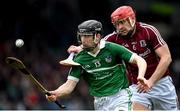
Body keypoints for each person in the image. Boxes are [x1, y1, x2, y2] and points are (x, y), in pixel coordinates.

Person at [67, 6, 179, 110]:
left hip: (161, 84)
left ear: (132, 19)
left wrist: (151, 82)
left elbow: (166, 58)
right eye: (116, 24)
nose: (119, 27)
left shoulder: (148, 31)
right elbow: (96, 43)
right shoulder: (114, 38)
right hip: (137, 87)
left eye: (122, 22)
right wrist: (80, 47)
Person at [46, 20, 148, 111]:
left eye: (87, 36)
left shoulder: (112, 48)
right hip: (100, 102)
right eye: (81, 36)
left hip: (121, 96)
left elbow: (140, 60)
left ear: (97, 36)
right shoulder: (79, 59)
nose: (83, 40)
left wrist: (141, 76)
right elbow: (69, 86)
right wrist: (56, 93)